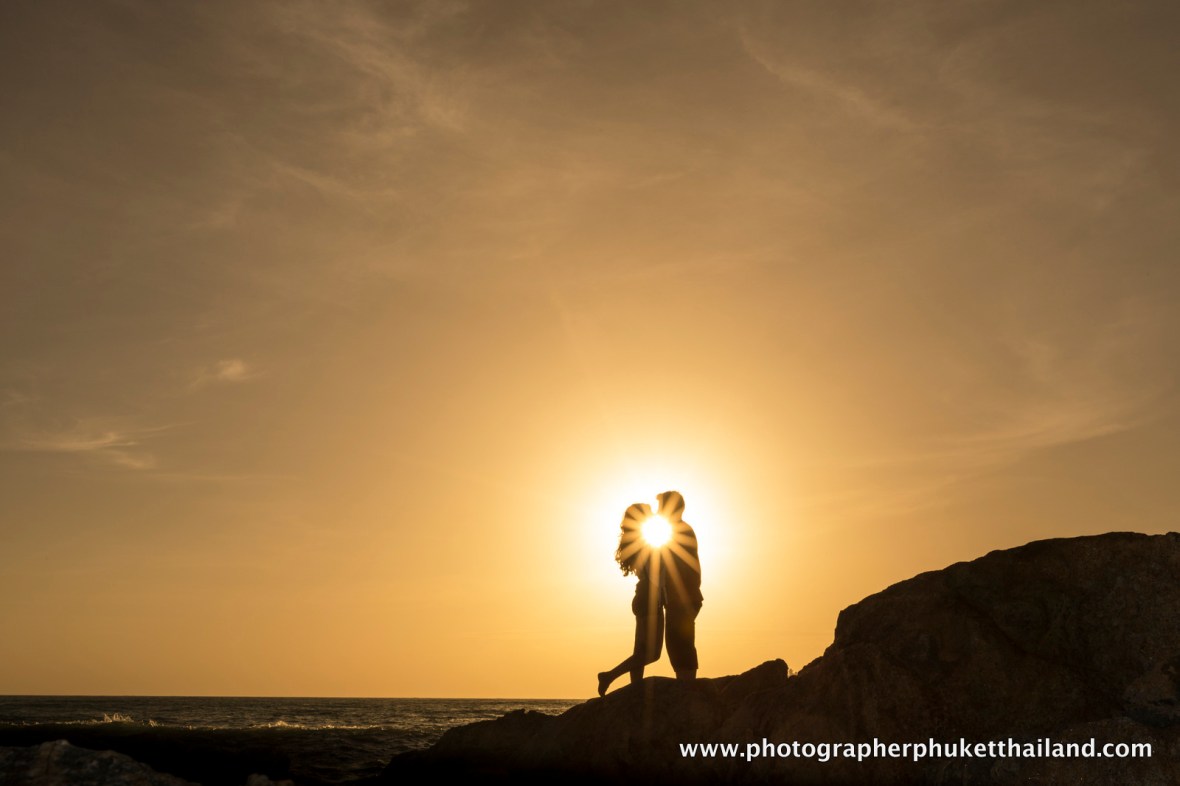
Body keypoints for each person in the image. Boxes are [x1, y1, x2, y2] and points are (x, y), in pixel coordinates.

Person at [596, 492, 703, 696]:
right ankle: (611, 677)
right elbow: (658, 572)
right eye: (650, 511)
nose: (655, 513)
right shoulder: (648, 541)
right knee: (650, 653)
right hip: (649, 599)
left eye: (657, 508)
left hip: (647, 598)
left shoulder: (646, 540)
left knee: (644, 651)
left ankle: (632, 688)